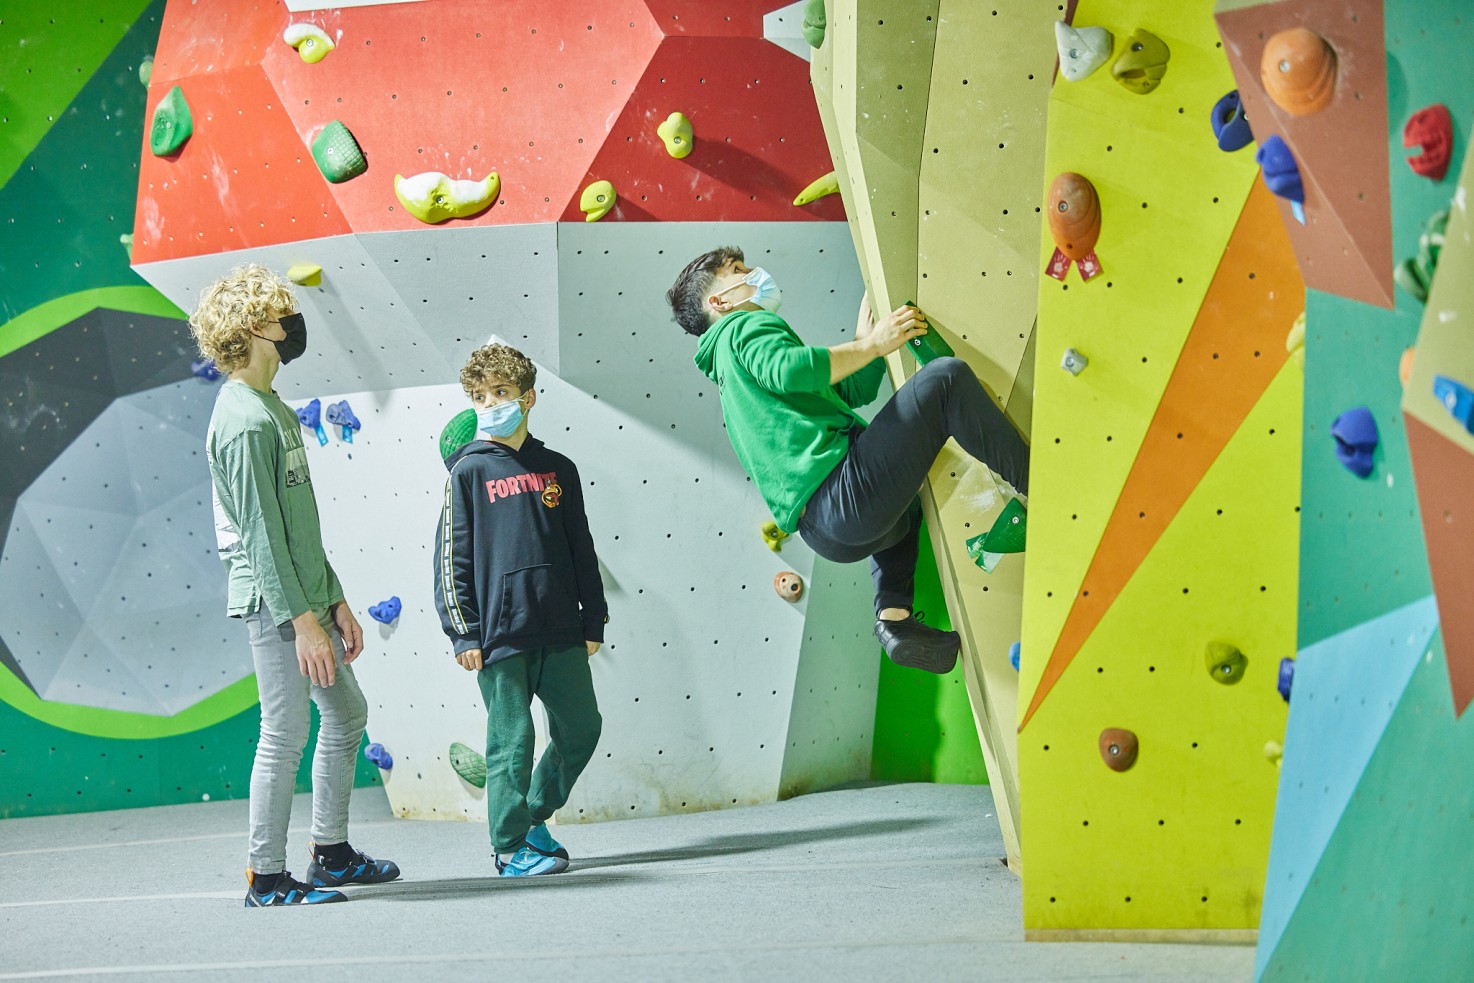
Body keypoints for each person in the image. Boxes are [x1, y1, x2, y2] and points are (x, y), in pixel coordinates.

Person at [665, 247, 1030, 674]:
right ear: (719, 302)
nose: (754, 273)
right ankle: (1041, 484)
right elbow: (792, 370)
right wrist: (874, 346)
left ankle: (894, 619)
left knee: (906, 513)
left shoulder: (731, 375)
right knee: (944, 381)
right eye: (738, 271)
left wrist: (863, 346)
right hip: (843, 498)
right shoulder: (741, 328)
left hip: (829, 535)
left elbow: (847, 393)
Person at [192, 264, 400, 907]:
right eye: (283, 312)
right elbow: (260, 536)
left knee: (346, 714)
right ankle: (266, 876)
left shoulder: (272, 409)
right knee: (284, 733)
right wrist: (302, 622)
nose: (293, 324)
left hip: (306, 597)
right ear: (256, 327)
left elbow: (299, 526)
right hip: (274, 604)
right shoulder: (244, 421)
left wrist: (333, 599)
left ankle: (330, 855)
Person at [433, 343, 606, 877]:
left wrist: (592, 618)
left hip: (561, 627)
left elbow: (582, 546)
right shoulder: (468, 473)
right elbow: (450, 558)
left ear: (528, 398)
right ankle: (509, 847)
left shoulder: (559, 469)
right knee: (512, 744)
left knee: (582, 728)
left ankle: (533, 816)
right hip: (499, 636)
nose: (490, 405)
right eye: (480, 397)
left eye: (501, 393)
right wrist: (463, 633)